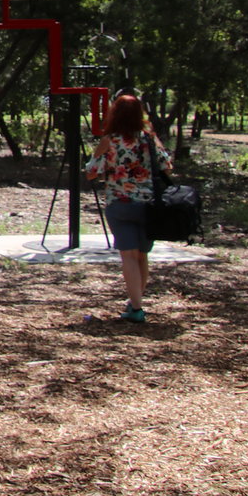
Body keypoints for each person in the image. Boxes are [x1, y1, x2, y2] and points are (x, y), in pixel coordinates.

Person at [85, 93, 173, 323]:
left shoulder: (110, 140)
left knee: (128, 256)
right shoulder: (149, 139)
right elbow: (167, 167)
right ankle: (136, 302)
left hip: (120, 203)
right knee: (142, 255)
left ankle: (136, 307)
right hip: (148, 205)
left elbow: (91, 171)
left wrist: (102, 159)